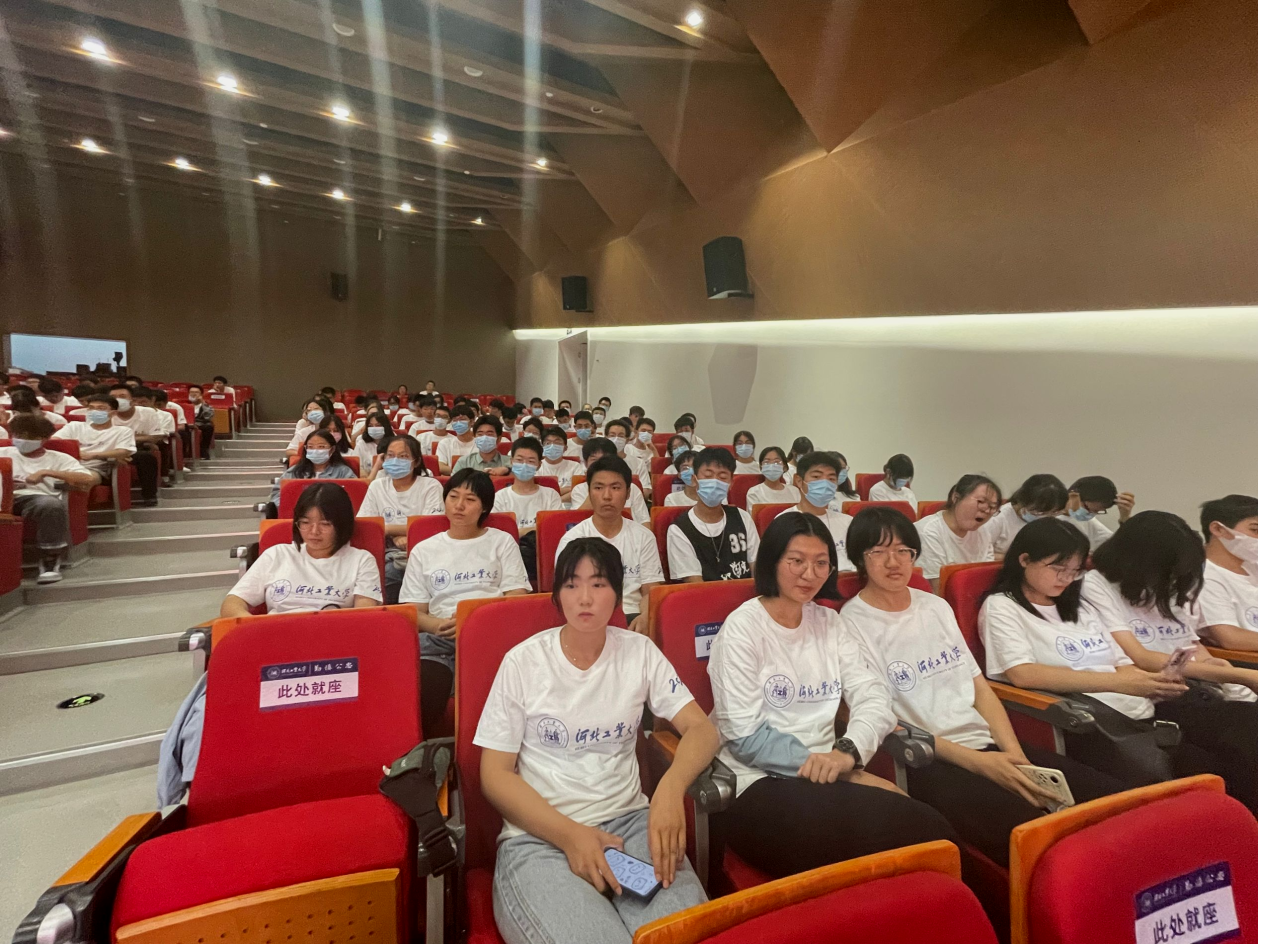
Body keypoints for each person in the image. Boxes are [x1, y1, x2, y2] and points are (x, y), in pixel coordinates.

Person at [841, 508, 1124, 865]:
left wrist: (1015, 756)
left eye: (903, 551)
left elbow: (980, 688)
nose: (893, 562)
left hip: (988, 744)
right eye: (878, 552)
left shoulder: (935, 607)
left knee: (1109, 802)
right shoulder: (851, 622)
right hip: (929, 759)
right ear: (860, 559)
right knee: (1039, 839)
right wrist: (981, 764)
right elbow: (881, 718)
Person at [477, 539, 716, 944]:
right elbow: (494, 775)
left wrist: (669, 790)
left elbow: (703, 729)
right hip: (540, 838)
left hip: (630, 825)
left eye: (599, 584)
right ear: (557, 595)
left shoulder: (639, 652)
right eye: (572, 584)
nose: (585, 598)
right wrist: (571, 836)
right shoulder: (523, 662)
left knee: (685, 937)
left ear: (618, 594)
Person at [708, 512, 957, 879]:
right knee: (912, 836)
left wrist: (848, 752)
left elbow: (873, 696)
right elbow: (745, 737)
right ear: (772, 561)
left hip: (828, 773)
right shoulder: (742, 630)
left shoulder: (829, 623)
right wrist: (836, 770)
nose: (809, 574)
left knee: (931, 834)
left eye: (821, 563)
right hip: (757, 784)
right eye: (796, 561)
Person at [979, 518, 1224, 794]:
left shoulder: (1079, 606)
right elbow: (1023, 674)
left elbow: (1121, 664)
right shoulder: (1002, 607)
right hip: (1087, 720)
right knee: (1173, 781)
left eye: (1075, 571)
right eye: (1058, 569)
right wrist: (1120, 684)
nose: (1066, 579)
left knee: (1212, 764)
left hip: (1136, 715)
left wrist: (1153, 682)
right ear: (1024, 560)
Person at [1081, 512, 1257, 812]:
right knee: (1243, 734)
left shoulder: (1166, 584)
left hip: (1193, 687)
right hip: (1152, 693)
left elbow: (1189, 642)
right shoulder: (1096, 585)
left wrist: (1216, 666)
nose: (1174, 578)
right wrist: (1239, 676)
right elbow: (1141, 657)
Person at [401, 468, 532, 733]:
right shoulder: (424, 550)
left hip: (491, 635)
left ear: (484, 507)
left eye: (470, 499)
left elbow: (516, 598)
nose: (459, 505)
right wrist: (437, 625)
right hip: (440, 638)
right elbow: (413, 611)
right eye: (453, 497)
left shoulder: (501, 542)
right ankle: (429, 754)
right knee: (425, 693)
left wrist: (476, 622)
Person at [223, 483, 382, 616]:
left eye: (325, 524)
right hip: (276, 634)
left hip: (333, 636)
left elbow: (364, 616)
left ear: (342, 525)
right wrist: (256, 627)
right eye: (305, 523)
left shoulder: (361, 560)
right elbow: (232, 603)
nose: (314, 532)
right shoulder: (277, 554)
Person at [556, 456, 663, 635]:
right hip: (590, 617)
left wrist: (646, 616)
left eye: (615, 488)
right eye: (598, 488)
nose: (607, 496)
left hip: (633, 618)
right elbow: (568, 595)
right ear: (589, 492)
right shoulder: (572, 540)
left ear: (628, 493)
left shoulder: (644, 537)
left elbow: (649, 590)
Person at [1, 413, 97, 583]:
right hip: (3, 497)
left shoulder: (59, 458)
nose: (21, 440)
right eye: (18, 435)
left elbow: (86, 478)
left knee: (50, 505)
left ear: (44, 439)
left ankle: (49, 559)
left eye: (28, 437)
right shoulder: (3, 453)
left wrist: (47, 472)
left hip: (35, 499)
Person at [357, 436, 443, 604]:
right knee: (385, 574)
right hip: (388, 551)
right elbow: (368, 526)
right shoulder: (377, 486)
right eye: (390, 455)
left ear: (416, 461)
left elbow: (430, 526)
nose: (395, 461)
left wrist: (389, 530)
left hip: (424, 550)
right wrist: (399, 534)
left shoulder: (430, 486)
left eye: (403, 456)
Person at [666, 448, 759, 582]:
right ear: (694, 479)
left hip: (746, 594)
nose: (715, 482)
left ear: (731, 484)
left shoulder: (742, 518)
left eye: (722, 477)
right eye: (708, 476)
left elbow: (757, 570)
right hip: (705, 594)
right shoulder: (679, 529)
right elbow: (695, 585)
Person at [915, 474, 1003, 589]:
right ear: (956, 497)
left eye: (992, 507)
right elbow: (937, 590)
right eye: (981, 502)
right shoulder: (928, 532)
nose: (986, 510)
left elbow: (986, 579)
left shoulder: (983, 532)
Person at [493, 436, 563, 578]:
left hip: (542, 555)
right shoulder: (500, 497)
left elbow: (554, 531)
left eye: (531, 461)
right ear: (511, 461)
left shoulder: (551, 495)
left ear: (539, 465)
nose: (524, 465)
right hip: (509, 555)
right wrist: (536, 529)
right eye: (519, 460)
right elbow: (499, 536)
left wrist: (519, 531)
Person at [776, 451, 856, 572]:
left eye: (831, 478)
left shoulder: (848, 523)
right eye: (816, 477)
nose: (825, 484)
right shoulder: (784, 521)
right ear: (799, 480)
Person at [1198, 494, 1258, 651]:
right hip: (1242, 660)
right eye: (1255, 530)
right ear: (1218, 529)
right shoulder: (1204, 576)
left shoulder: (1253, 567)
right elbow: (1231, 638)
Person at [267, 429, 358, 517]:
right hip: (298, 517)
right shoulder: (294, 472)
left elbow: (355, 495)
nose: (315, 450)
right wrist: (292, 510)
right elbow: (278, 494)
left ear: (332, 449)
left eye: (321, 447)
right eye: (310, 447)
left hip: (333, 518)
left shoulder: (344, 472)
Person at [52, 392, 136, 480]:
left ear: (113, 413)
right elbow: (54, 441)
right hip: (66, 464)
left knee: (83, 479)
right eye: (91, 408)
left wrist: (94, 455)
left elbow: (123, 451)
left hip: (94, 468)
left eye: (101, 408)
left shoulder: (123, 431)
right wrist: (75, 452)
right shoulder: (74, 426)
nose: (95, 411)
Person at [570, 439, 651, 525]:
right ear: (586, 463)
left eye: (605, 459)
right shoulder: (579, 490)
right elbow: (577, 521)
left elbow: (644, 521)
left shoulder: (632, 488)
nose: (600, 465)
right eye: (594, 460)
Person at [108, 382, 165, 506]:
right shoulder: (104, 414)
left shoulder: (148, 413)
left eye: (122, 396)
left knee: (147, 457)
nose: (117, 400)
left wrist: (124, 439)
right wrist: (138, 437)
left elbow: (155, 437)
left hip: (136, 449)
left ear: (132, 400)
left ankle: (149, 496)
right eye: (113, 397)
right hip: (108, 449)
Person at [987, 474, 1069, 556]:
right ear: (1023, 501)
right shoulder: (998, 519)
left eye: (1054, 512)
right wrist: (1014, 558)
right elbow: (983, 554)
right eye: (1040, 512)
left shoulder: (1052, 521)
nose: (1046, 516)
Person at [1062, 476, 1135, 551]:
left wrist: (1125, 518)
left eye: (1096, 511)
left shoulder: (1089, 524)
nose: (1090, 514)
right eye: (1087, 508)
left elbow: (1117, 545)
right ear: (1073, 495)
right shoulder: (1055, 518)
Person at [744, 446, 800, 510]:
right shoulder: (754, 493)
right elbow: (755, 515)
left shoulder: (794, 491)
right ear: (761, 467)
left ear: (784, 466)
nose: (771, 466)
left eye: (776, 462)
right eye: (766, 462)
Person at [539, 426, 583, 502]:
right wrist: (569, 489)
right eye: (548, 443)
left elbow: (579, 491)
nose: (552, 446)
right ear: (542, 447)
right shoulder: (536, 467)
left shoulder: (575, 466)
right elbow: (537, 493)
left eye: (557, 443)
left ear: (565, 447)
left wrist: (555, 502)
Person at [437, 406, 479, 474]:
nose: (458, 423)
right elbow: (441, 467)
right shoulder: (445, 443)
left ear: (471, 421)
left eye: (462, 419)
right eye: (455, 420)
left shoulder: (480, 443)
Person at [353, 411, 394, 476]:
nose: (374, 428)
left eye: (378, 425)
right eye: (370, 426)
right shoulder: (361, 444)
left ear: (385, 426)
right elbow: (357, 467)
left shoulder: (395, 443)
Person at [185, 384, 216, 459]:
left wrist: (203, 403)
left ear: (201, 394)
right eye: (191, 392)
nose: (193, 394)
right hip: (186, 424)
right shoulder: (183, 405)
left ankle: (203, 450)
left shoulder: (206, 406)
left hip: (200, 424)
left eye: (196, 392)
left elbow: (208, 417)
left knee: (209, 426)